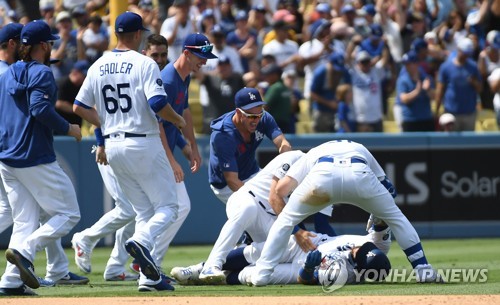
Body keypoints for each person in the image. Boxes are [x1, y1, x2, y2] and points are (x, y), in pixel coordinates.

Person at [72, 12, 186, 292]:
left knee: (144, 211)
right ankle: (142, 242)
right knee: (170, 207)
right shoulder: (145, 63)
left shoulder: (98, 65)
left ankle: (149, 278)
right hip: (142, 141)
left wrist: (107, 125)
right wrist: (178, 119)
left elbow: (78, 107)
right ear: (138, 35)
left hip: (114, 146)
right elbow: (159, 102)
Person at [250, 140, 443, 286]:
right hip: (359, 174)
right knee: (397, 218)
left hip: (321, 176)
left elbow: (281, 190)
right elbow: (389, 188)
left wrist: (297, 195)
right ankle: (423, 269)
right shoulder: (360, 147)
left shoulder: (313, 152)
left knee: (285, 221)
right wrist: (380, 211)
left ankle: (262, 274)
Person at [0, 20, 83, 296]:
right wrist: (69, 127)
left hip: (8, 158)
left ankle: (11, 282)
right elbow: (39, 109)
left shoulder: (8, 72)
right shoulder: (42, 72)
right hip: (34, 155)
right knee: (69, 212)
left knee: (25, 220)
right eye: (51, 43)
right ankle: (25, 252)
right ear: (44, 46)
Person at [170, 225, 392, 286]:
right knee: (255, 251)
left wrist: (307, 269)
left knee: (255, 275)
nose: (357, 248)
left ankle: (206, 280)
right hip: (309, 242)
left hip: (301, 267)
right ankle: (201, 267)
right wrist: (381, 221)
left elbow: (306, 280)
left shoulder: (344, 274)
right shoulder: (370, 247)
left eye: (359, 253)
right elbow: (380, 231)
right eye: (362, 247)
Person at [208, 87, 292, 204]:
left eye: (259, 114)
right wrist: (257, 199)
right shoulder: (223, 136)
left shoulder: (263, 117)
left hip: (253, 173)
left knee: (288, 198)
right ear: (238, 112)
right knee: (256, 208)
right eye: (251, 115)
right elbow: (232, 180)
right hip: (225, 186)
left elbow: (283, 143)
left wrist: (286, 165)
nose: (256, 120)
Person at [435, 37, 482, 131]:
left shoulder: (473, 67)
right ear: (458, 49)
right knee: (451, 144)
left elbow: (480, 89)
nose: (465, 56)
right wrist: (437, 110)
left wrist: (474, 82)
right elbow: (440, 89)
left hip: (469, 113)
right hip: (451, 113)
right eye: (464, 53)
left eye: (467, 54)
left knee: (468, 144)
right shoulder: (446, 67)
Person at [195, 55, 245, 134]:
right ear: (217, 67)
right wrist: (196, 60)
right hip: (215, 121)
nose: (223, 68)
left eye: (226, 65)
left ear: (230, 66)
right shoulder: (210, 79)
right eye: (221, 65)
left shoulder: (237, 79)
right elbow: (199, 75)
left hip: (233, 122)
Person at [396, 50, 435, 132]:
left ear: (416, 64)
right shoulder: (403, 80)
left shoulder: (426, 78)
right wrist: (418, 90)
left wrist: (428, 90)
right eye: (406, 64)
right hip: (410, 120)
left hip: (426, 119)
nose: (406, 67)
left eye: (409, 64)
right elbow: (404, 99)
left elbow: (434, 97)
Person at [54, 60, 89, 133]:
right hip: (61, 127)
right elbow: (59, 103)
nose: (85, 79)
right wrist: (79, 110)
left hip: (77, 127)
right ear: (75, 72)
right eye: (84, 75)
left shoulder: (82, 86)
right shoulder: (62, 83)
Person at [260, 63, 293, 133]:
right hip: (286, 124)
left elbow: (264, 106)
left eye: (268, 75)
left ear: (275, 75)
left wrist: (260, 94)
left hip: (275, 125)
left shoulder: (275, 88)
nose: (266, 77)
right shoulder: (285, 87)